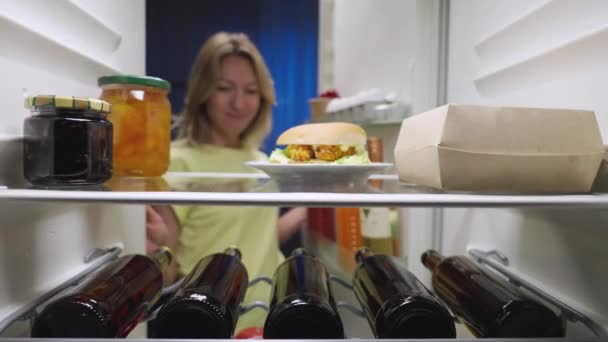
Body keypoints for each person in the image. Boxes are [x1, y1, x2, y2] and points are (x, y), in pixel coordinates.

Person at [146, 32, 306, 333]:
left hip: (270, 318)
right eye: (224, 88)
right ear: (203, 92)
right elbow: (167, 272)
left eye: (250, 90)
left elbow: (260, 234)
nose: (239, 103)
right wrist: (151, 256)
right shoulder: (175, 162)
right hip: (208, 324)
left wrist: (314, 205)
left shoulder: (261, 159)